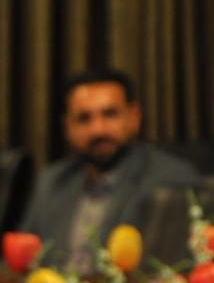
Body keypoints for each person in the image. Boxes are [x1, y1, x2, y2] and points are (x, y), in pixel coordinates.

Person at [20, 68, 200, 271]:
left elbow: (167, 270)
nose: (98, 130)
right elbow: (21, 261)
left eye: (110, 114)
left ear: (134, 117)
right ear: (68, 126)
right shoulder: (51, 182)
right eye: (84, 118)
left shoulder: (169, 180)